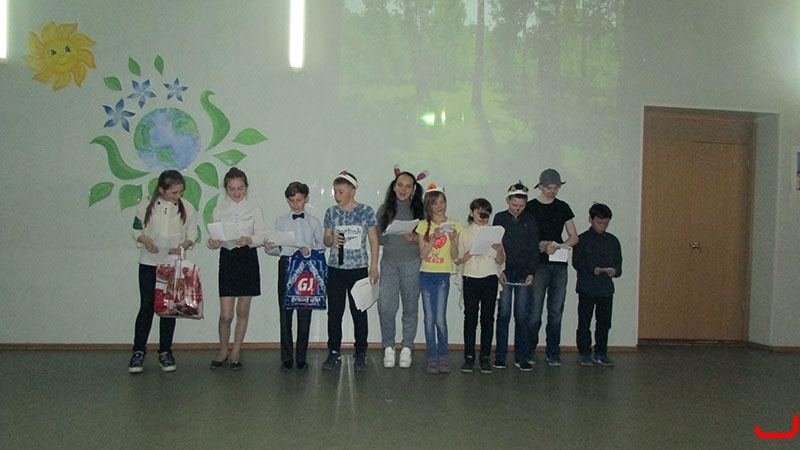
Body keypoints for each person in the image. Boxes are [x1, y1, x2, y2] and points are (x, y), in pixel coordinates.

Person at [128, 170, 197, 373]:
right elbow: (136, 230)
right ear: (161, 190)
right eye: (174, 192)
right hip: (149, 263)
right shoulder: (146, 206)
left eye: (180, 192)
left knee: (169, 309)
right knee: (147, 306)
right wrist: (145, 240)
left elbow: (192, 235)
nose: (178, 196)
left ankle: (165, 351)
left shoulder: (187, 207)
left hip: (172, 264)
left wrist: (182, 246)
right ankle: (138, 351)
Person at [207, 168, 266, 371]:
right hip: (228, 258)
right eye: (231, 189)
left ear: (246, 187)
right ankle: (223, 349)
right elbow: (214, 237)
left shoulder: (254, 209)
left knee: (243, 310)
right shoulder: (219, 209)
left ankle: (236, 351)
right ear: (226, 189)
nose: (236, 193)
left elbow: (261, 236)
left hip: (247, 258)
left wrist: (249, 240)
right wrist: (213, 242)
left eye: (240, 188)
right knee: (226, 314)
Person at [322, 171, 380, 372]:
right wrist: (331, 240)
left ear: (352, 191)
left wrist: (373, 266)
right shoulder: (331, 212)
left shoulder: (366, 211)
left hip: (358, 269)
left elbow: (373, 240)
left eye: (341, 191)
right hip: (336, 269)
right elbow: (326, 238)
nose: (337, 195)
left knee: (359, 312)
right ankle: (334, 351)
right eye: (335, 191)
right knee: (334, 312)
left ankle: (361, 352)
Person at [265, 181, 324, 371]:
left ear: (306, 199)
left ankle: (301, 357)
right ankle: (286, 357)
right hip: (287, 265)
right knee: (285, 312)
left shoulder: (314, 222)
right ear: (287, 200)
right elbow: (276, 249)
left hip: (306, 267)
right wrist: (271, 247)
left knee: (305, 312)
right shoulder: (281, 221)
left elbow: (321, 246)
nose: (296, 204)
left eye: (299, 200)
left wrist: (309, 251)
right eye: (292, 201)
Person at [526, 169, 579, 366]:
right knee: (535, 311)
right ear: (540, 186)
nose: (553, 191)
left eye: (556, 188)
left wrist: (560, 246)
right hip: (538, 264)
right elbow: (524, 237)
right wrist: (540, 246)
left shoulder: (563, 207)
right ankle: (529, 350)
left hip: (559, 264)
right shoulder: (531, 207)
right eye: (549, 188)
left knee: (556, 310)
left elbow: (574, 237)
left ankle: (553, 351)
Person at [376, 168, 425, 369]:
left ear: (413, 190)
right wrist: (388, 234)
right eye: (400, 185)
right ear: (394, 187)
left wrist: (415, 238)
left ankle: (406, 347)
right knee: (386, 307)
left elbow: (427, 237)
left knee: (410, 307)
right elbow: (377, 238)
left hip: (412, 263)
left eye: (408, 186)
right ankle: (388, 346)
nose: (403, 190)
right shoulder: (384, 209)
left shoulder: (420, 210)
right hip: (389, 263)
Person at [415, 184, 462, 374]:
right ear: (429, 205)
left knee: (440, 318)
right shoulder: (423, 225)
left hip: (443, 274)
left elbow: (455, 256)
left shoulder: (454, 224)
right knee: (429, 318)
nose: (439, 206)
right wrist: (433, 238)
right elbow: (422, 255)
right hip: (426, 274)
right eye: (435, 203)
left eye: (442, 202)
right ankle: (431, 356)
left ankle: (443, 356)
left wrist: (454, 239)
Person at [492, 182, 539, 371]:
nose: (517, 208)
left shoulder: (531, 220)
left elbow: (534, 247)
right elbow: (495, 245)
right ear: (507, 201)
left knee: (522, 316)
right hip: (505, 271)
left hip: (524, 273)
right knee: (503, 315)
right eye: (514, 205)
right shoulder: (500, 218)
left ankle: (522, 356)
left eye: (521, 205)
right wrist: (499, 270)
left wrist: (531, 272)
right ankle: (500, 356)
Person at [456, 198, 504, 374]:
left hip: (489, 276)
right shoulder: (464, 234)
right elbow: (458, 259)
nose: (482, 218)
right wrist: (469, 254)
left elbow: (500, 261)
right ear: (472, 212)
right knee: (470, 318)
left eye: (486, 215)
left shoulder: (495, 232)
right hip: (471, 276)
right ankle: (469, 357)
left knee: (488, 318)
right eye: (479, 213)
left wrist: (499, 250)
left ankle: (485, 357)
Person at [572, 203, 622, 367]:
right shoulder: (582, 239)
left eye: (605, 223)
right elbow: (577, 263)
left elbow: (618, 265)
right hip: (586, 287)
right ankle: (584, 353)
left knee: (604, 323)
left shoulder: (612, 241)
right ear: (590, 219)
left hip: (605, 289)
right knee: (584, 322)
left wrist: (614, 271)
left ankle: (601, 352)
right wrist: (593, 269)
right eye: (599, 222)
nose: (602, 226)